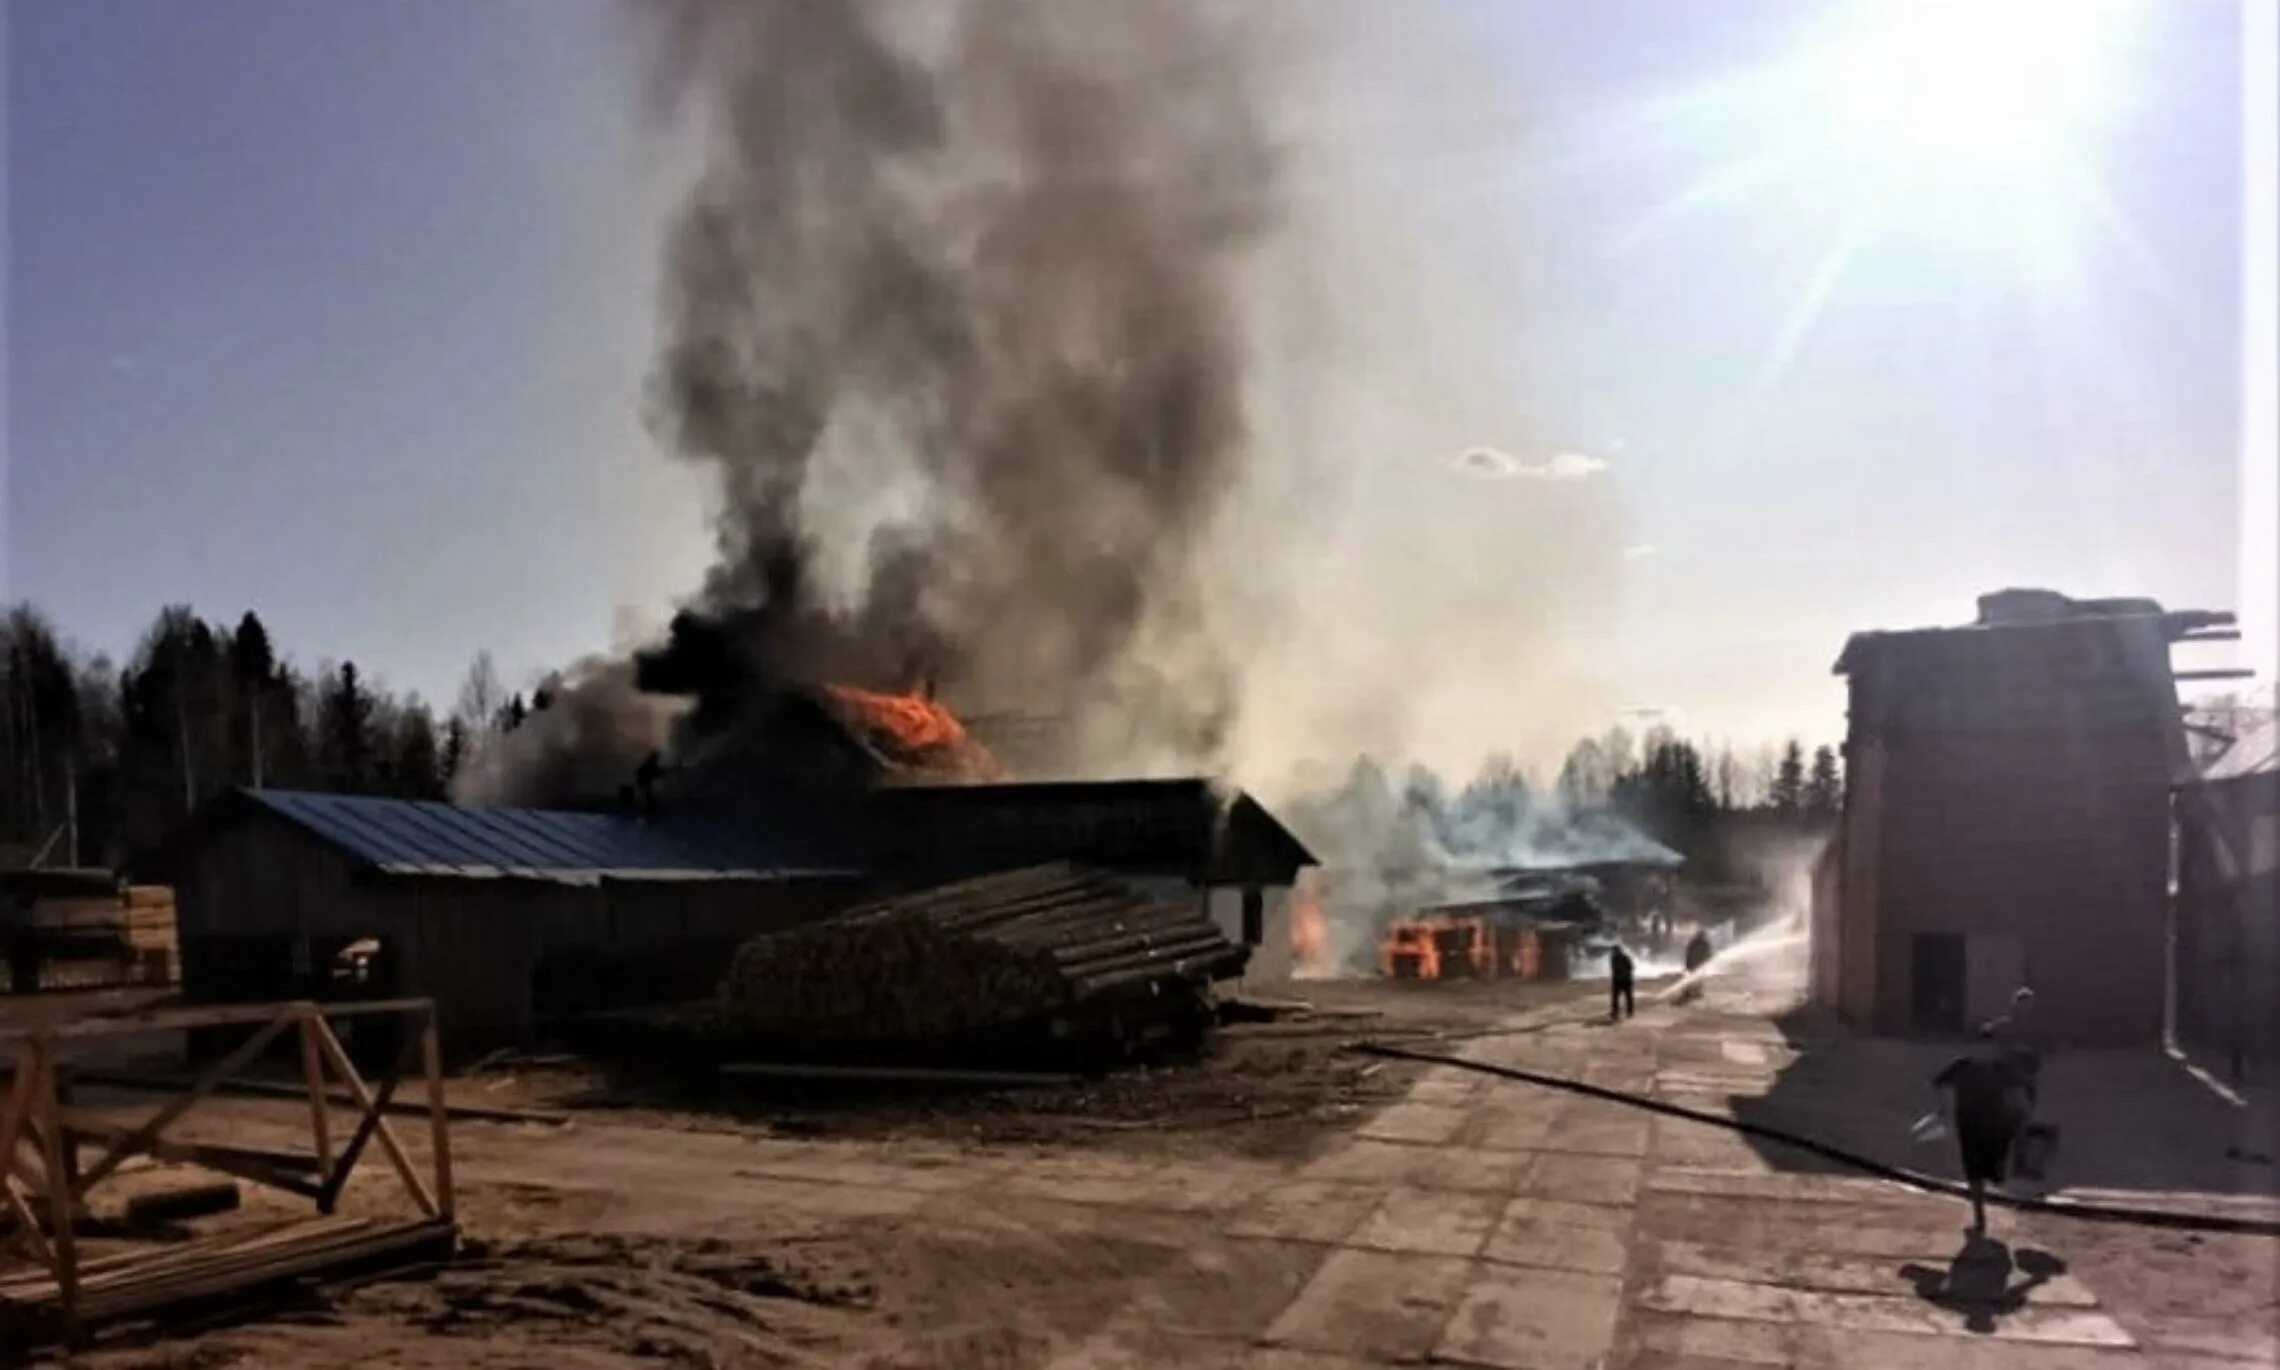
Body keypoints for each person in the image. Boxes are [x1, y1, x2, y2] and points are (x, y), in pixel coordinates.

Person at [1932, 1029, 2028, 1234]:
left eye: (1988, 1047)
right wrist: (1942, 1107)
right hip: (1969, 1125)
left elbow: (2018, 1092)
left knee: (1993, 1169)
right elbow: (1938, 1083)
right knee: (1974, 1171)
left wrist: (2020, 1115)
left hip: (1996, 1126)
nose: (1984, 1051)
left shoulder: (2002, 1069)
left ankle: (1994, 1183)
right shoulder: (1962, 1066)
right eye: (1980, 1047)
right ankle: (1979, 1216)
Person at [1608, 944, 1636, 1021]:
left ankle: (1628, 1012)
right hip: (1619, 980)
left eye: (1614, 951)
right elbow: (1613, 969)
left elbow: (1631, 968)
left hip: (1624, 980)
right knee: (1617, 997)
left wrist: (1623, 974)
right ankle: (1616, 1012)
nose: (1613, 952)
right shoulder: (1614, 959)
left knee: (1626, 997)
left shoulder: (1624, 958)